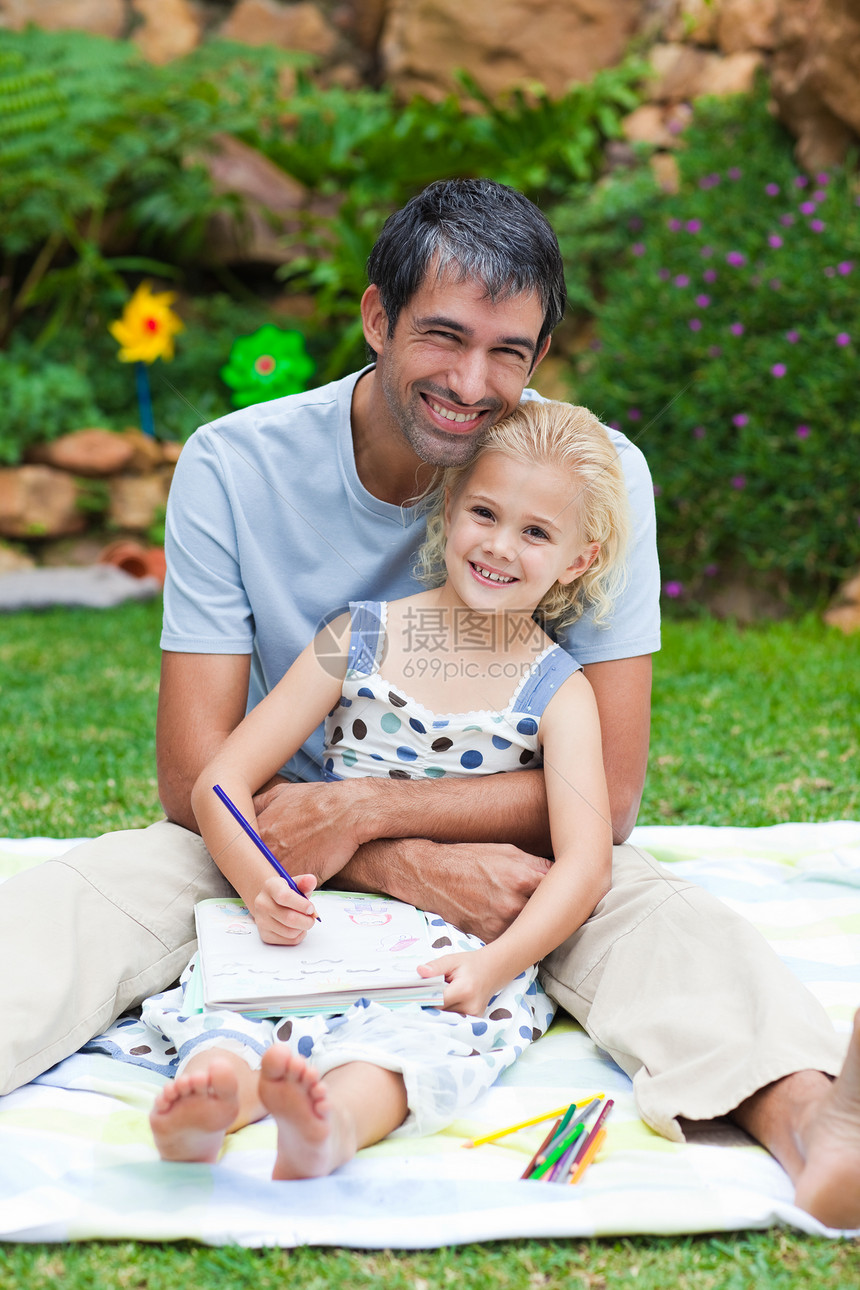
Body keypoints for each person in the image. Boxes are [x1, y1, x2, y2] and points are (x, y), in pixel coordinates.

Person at [0, 177, 857, 1226]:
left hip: (505, 845)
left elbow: (609, 796)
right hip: (258, 836)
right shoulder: (233, 464)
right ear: (376, 319)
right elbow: (194, 776)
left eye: (509, 351)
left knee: (651, 916)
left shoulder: (580, 477)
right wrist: (360, 852)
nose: (470, 380)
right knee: (86, 897)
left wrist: (374, 819)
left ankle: (811, 1125)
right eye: (442, 336)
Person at [148, 400, 626, 1173]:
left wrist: (497, 965)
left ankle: (330, 1125)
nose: (500, 546)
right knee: (236, 1011)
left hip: (453, 943)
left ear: (578, 559)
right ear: (450, 508)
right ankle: (213, 1097)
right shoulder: (358, 638)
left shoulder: (559, 691)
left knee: (409, 1046)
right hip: (317, 911)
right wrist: (258, 882)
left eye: (536, 533)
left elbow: (587, 861)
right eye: (485, 513)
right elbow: (221, 782)